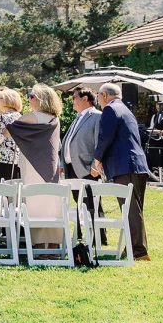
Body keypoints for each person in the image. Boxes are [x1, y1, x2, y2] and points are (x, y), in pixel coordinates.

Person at [91, 82, 151, 260]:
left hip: (124, 165)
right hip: (137, 164)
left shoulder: (110, 109)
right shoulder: (125, 109)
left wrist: (97, 160)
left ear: (103, 96)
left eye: (98, 97)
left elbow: (105, 137)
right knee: (135, 208)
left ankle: (139, 251)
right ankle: (135, 246)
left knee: (130, 208)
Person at [5, 84, 63, 247]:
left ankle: (38, 244)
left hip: (32, 165)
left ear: (40, 100)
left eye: (31, 96)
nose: (29, 99)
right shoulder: (54, 119)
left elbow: (7, 132)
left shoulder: (33, 117)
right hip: (50, 165)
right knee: (51, 203)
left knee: (34, 203)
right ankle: (53, 243)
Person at [61, 87, 105, 244]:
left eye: (74, 97)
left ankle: (99, 237)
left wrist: (95, 165)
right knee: (78, 202)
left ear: (85, 99)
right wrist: (62, 162)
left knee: (92, 203)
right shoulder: (77, 117)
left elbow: (100, 143)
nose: (72, 101)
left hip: (87, 167)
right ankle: (81, 234)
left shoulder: (97, 116)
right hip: (71, 167)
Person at [0, 88, 24, 180]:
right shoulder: (20, 116)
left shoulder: (3, 117)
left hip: (3, 159)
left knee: (3, 191)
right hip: (18, 159)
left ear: (7, 100)